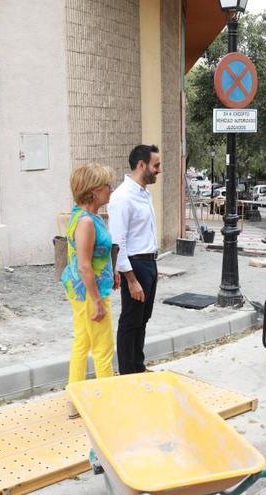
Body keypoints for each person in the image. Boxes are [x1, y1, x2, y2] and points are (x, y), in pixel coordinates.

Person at [62, 163, 119, 418]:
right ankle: (107, 406)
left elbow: (95, 256)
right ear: (94, 191)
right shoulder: (86, 221)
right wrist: (97, 300)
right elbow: (85, 265)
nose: (111, 189)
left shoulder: (86, 216)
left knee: (82, 342)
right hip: (89, 292)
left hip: (85, 289)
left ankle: (74, 402)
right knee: (103, 348)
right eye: (107, 185)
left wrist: (113, 271)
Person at [108, 144, 161, 375]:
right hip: (135, 265)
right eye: (155, 165)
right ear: (142, 165)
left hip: (149, 263)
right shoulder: (122, 197)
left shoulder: (143, 193)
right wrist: (130, 278)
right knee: (130, 319)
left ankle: (138, 367)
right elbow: (118, 242)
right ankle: (127, 372)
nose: (159, 170)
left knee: (143, 318)